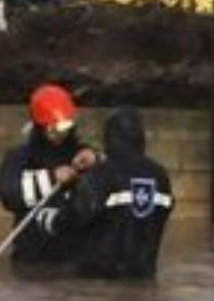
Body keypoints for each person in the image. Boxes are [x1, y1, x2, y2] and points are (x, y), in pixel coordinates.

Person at [0, 84, 99, 269]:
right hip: (31, 258)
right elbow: (8, 194)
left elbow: (110, 184)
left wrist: (97, 160)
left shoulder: (82, 155)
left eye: (64, 127)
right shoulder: (19, 157)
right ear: (39, 127)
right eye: (52, 128)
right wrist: (51, 178)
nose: (59, 134)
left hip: (75, 259)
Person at [68, 107, 173, 280]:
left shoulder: (100, 175)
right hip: (144, 277)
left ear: (109, 137)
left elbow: (74, 218)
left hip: (100, 282)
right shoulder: (161, 176)